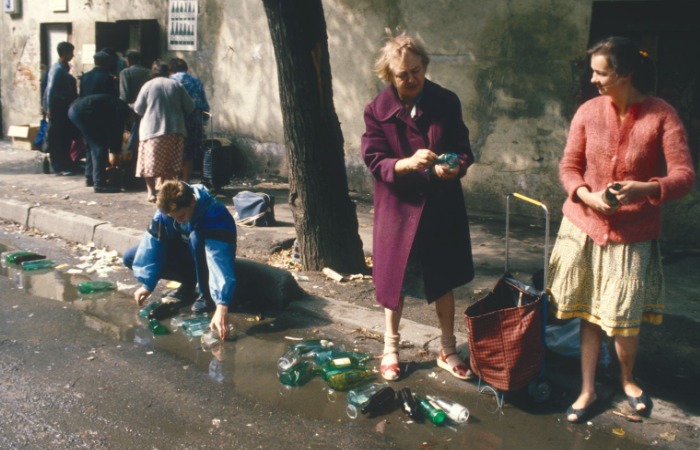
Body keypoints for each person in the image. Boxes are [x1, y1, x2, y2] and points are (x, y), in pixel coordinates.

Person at [548, 36, 696, 423]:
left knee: (623, 314)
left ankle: (628, 380)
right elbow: (568, 167)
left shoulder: (661, 115)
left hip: (632, 235)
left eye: (601, 72)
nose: (594, 79)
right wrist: (586, 195)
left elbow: (684, 176)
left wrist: (646, 188)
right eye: (593, 71)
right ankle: (587, 388)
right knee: (589, 313)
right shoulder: (587, 111)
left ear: (625, 74)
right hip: (584, 226)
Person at [361, 33, 475, 381]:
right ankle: (391, 348)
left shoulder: (445, 101)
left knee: (443, 280)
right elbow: (374, 159)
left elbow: (463, 148)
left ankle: (447, 349)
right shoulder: (377, 111)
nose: (411, 79)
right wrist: (407, 163)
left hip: (440, 208)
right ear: (388, 75)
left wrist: (454, 166)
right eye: (402, 74)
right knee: (394, 281)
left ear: (424, 67)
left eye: (416, 71)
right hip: (398, 210)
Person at [122, 180, 237, 339]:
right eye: (173, 217)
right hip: (187, 257)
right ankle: (189, 282)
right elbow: (153, 243)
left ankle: (207, 297)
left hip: (207, 259)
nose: (179, 220)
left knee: (196, 236)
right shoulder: (166, 212)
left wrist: (222, 306)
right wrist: (147, 284)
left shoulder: (215, 214)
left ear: (192, 201)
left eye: (181, 216)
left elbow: (220, 259)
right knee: (130, 257)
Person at [132, 62, 195, 202]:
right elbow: (190, 106)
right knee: (171, 163)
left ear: (153, 72)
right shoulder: (177, 85)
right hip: (175, 130)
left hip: (152, 131)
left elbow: (138, 109)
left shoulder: (148, 85)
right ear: (168, 72)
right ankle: (168, 193)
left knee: (150, 163)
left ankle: (151, 192)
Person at [68, 94, 131, 193]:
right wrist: (116, 154)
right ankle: (99, 183)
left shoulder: (118, 105)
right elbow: (116, 133)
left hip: (75, 110)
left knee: (91, 145)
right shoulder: (122, 111)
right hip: (83, 111)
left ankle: (90, 177)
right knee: (100, 146)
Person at [169, 57, 210, 182]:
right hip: (194, 118)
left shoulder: (171, 80)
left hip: (177, 119)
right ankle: (186, 181)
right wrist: (203, 121)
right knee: (189, 152)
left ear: (172, 69)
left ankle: (173, 181)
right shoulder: (196, 80)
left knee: (174, 151)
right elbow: (204, 102)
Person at [42, 41, 79, 175]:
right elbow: (50, 90)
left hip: (63, 106)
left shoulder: (63, 68)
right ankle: (58, 165)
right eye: (71, 52)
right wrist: (49, 109)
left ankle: (65, 162)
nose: (72, 55)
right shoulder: (57, 69)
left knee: (65, 136)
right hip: (57, 107)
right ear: (64, 53)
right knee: (57, 137)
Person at [119, 50, 152, 188]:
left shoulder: (125, 73)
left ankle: (132, 176)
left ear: (128, 60)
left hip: (133, 112)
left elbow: (124, 96)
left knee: (132, 145)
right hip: (148, 112)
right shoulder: (149, 72)